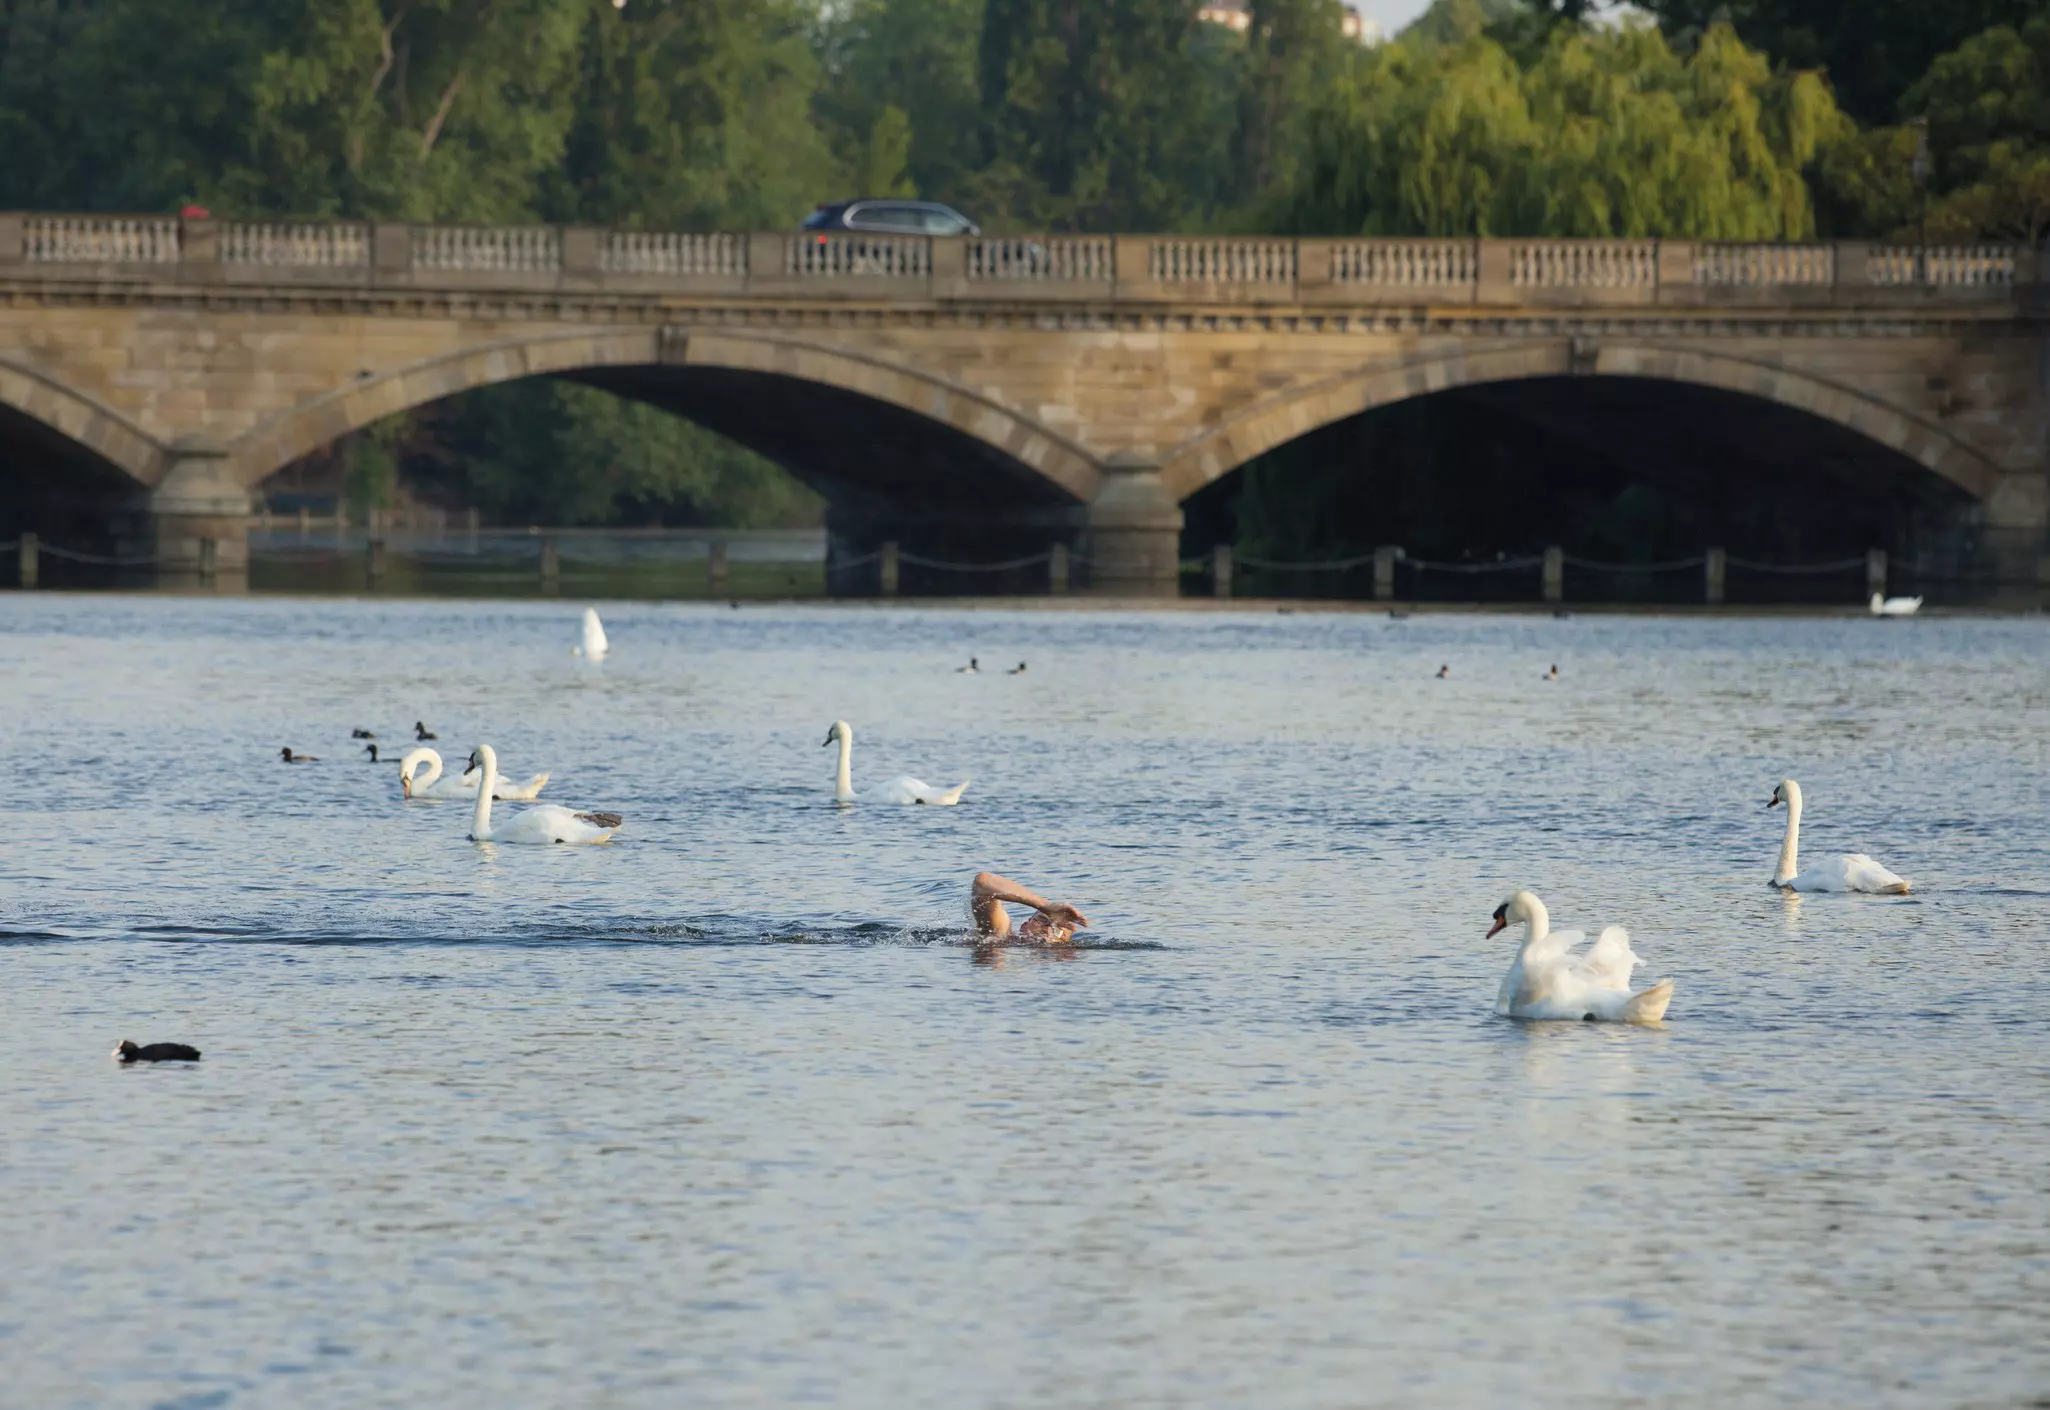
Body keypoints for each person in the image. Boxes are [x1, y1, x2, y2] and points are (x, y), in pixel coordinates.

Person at [971, 872, 1089, 944]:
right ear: (1024, 926)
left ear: (1065, 940)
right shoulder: (1002, 937)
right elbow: (982, 882)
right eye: (1042, 920)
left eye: (1058, 930)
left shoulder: (1061, 957)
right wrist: (1045, 906)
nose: (1048, 929)